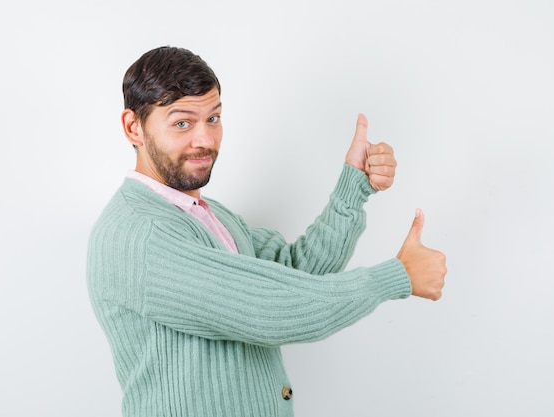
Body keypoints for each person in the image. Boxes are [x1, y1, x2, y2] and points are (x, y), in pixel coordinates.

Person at [87, 45, 446, 417]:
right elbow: (274, 308)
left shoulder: (209, 215)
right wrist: (396, 277)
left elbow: (297, 274)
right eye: (182, 123)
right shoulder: (139, 235)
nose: (205, 140)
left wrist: (353, 186)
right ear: (134, 127)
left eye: (213, 118)